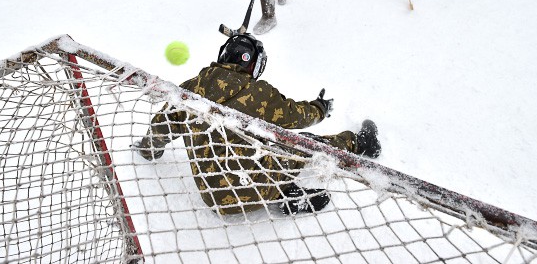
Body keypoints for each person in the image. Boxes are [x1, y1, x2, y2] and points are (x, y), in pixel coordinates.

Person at [136, 34, 381, 215]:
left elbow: (162, 124)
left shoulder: (192, 87)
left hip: (211, 195)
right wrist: (320, 107)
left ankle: (283, 191)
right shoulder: (257, 93)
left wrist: (150, 148)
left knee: (257, 140)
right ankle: (359, 144)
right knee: (302, 143)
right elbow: (297, 115)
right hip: (249, 191)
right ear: (252, 63)